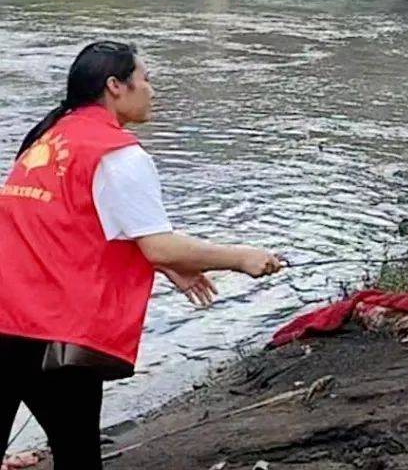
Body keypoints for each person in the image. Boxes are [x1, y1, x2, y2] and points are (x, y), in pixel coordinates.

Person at [0, 41, 283, 469]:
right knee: (77, 454)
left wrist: (168, 265)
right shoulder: (117, 153)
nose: (152, 90)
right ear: (115, 86)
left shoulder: (48, 137)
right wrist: (241, 257)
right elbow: (157, 242)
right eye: (145, 79)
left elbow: (66, 225)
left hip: (6, 312)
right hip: (48, 328)